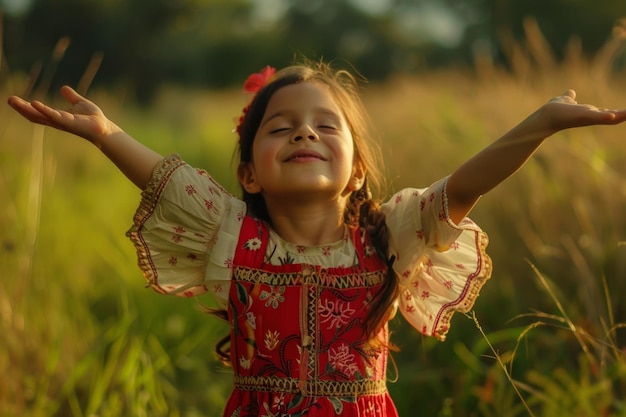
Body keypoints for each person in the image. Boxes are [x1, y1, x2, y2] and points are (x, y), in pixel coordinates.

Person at [7, 61, 626, 416]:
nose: (304, 134)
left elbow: (465, 184)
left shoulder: (391, 237)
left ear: (356, 168)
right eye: (281, 128)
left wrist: (540, 124)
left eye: (324, 125)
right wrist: (105, 132)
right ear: (250, 172)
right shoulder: (233, 237)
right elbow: (167, 183)